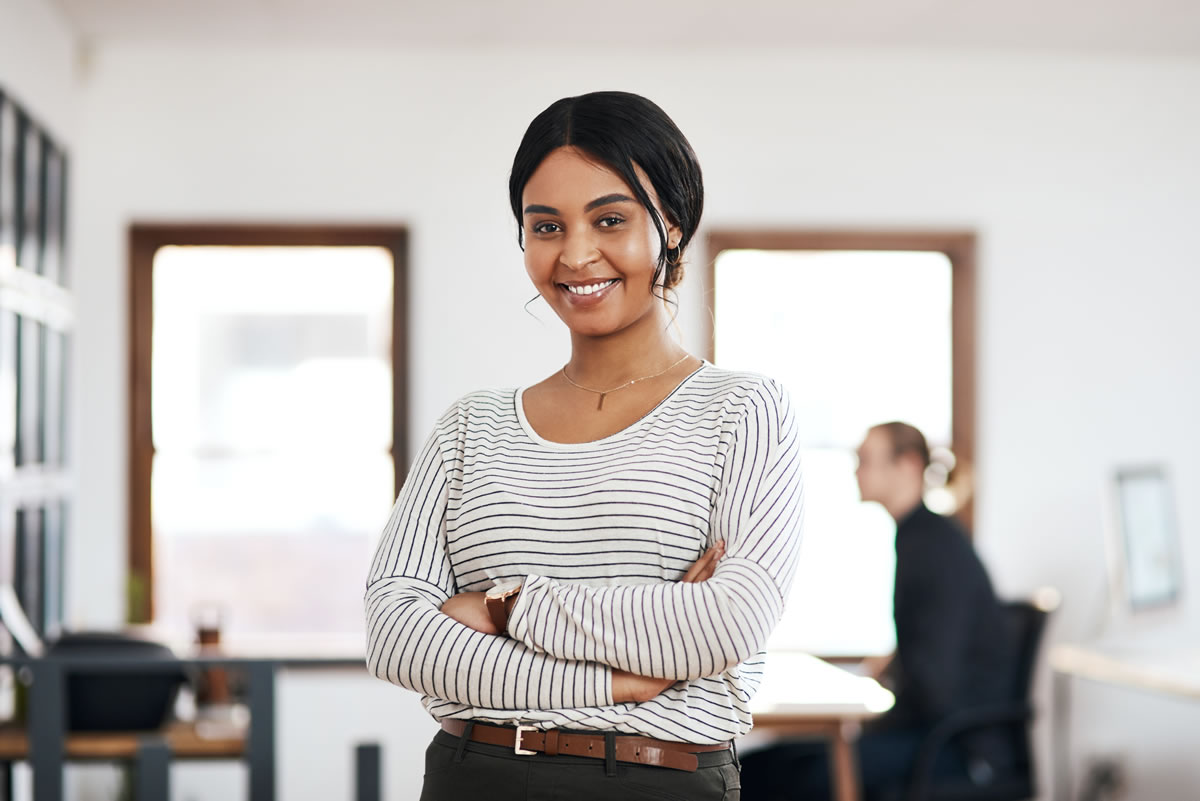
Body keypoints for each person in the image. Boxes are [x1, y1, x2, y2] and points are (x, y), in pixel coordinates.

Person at [364, 91, 805, 801]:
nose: (574, 253)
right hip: (474, 777)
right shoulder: (469, 427)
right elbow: (397, 636)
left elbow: (726, 622)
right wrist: (624, 677)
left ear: (670, 223)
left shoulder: (744, 410)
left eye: (609, 219)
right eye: (546, 226)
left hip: (658, 781)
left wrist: (506, 608)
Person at [740, 421, 1015, 801]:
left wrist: (896, 672)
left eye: (866, 459)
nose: (856, 470)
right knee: (763, 764)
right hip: (935, 732)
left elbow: (937, 680)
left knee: (774, 775)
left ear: (909, 465)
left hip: (956, 747)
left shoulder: (934, 547)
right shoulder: (923, 537)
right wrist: (895, 663)